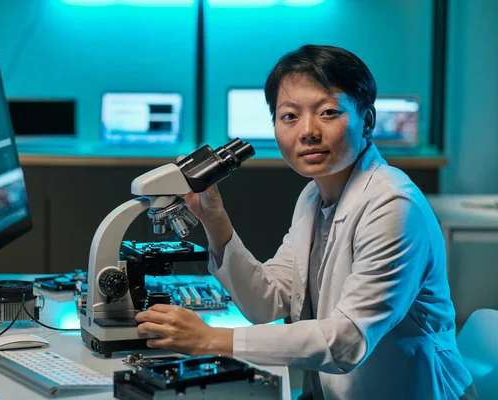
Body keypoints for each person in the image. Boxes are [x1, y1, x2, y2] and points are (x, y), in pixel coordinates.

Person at [135, 44, 476, 399]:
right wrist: (213, 219)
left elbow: (347, 341)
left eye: (328, 112)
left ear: (367, 121)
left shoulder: (393, 205)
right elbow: (267, 302)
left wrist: (210, 339)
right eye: (290, 116)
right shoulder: (313, 197)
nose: (308, 131)